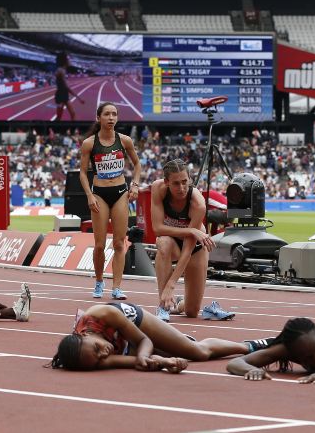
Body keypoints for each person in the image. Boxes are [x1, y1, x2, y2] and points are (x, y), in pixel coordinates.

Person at [47, 302, 272, 371]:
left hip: (132, 322)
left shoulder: (103, 314)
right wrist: (163, 362)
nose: (103, 353)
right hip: (123, 342)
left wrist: (147, 354)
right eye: (99, 359)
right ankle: (173, 346)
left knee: (197, 352)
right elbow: (135, 362)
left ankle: (251, 346)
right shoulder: (91, 358)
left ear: (85, 336)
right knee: (170, 354)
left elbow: (144, 341)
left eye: (97, 348)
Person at [150, 158, 234, 322]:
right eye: (175, 183)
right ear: (166, 182)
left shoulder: (198, 204)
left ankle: (180, 303)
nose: (181, 188)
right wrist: (191, 230)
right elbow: (158, 229)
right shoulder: (158, 189)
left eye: (184, 182)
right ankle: (163, 306)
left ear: (190, 180)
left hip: (194, 247)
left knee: (192, 312)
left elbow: (187, 251)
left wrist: (171, 285)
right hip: (171, 240)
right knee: (164, 243)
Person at [80, 102, 142, 301]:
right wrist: (89, 195)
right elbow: (82, 172)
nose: (111, 118)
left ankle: (116, 287)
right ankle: (99, 281)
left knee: (118, 243)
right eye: (107, 114)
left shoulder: (125, 141)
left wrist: (135, 185)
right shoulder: (89, 143)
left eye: (114, 114)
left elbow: (137, 164)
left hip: (121, 193)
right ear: (99, 118)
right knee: (99, 245)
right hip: (99, 194)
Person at [54, 52, 85, 121]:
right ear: (64, 61)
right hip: (60, 95)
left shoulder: (63, 70)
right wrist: (78, 98)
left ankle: (72, 130)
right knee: (59, 117)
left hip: (64, 94)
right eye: (68, 59)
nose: (69, 61)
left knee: (73, 114)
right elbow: (66, 87)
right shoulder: (60, 70)